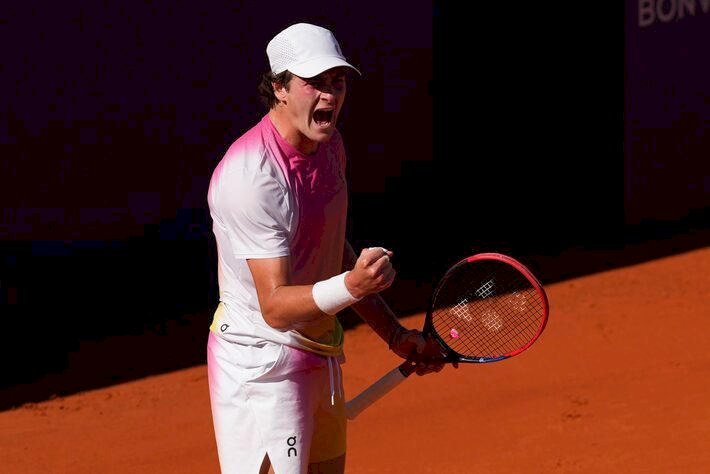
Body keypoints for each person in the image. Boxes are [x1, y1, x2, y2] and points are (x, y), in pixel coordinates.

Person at [206, 22, 446, 474]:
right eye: (314, 83)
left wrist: (395, 336)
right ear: (278, 87)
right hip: (263, 365)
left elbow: (333, 251)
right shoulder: (251, 177)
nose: (330, 96)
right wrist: (353, 286)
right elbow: (275, 307)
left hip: (319, 351)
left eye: (337, 82)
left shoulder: (331, 147)